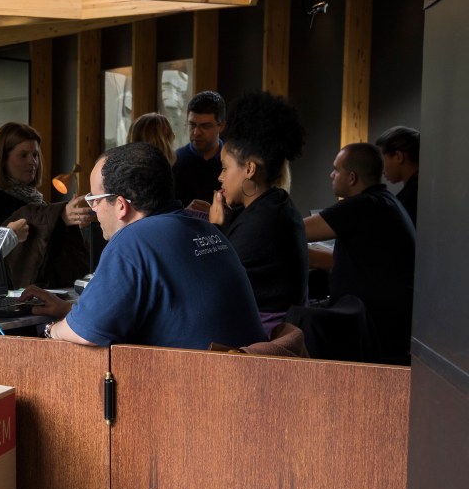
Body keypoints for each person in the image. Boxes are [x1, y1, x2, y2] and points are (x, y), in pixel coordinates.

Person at [21, 142, 265, 349]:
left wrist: (49, 330)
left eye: (94, 200)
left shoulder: (133, 241)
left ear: (120, 205)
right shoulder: (206, 230)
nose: (93, 210)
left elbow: (85, 333)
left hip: (202, 392)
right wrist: (67, 309)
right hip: (245, 381)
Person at [304, 143, 416, 364]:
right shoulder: (385, 202)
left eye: (336, 170)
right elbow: (340, 262)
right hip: (386, 323)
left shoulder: (363, 205)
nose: (331, 174)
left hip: (372, 327)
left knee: (295, 323)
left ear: (352, 177)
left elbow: (293, 230)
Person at [209, 91, 308, 335]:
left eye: (224, 168)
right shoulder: (274, 206)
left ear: (250, 169)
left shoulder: (263, 223)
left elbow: (209, 282)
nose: (220, 177)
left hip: (262, 345)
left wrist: (213, 228)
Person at [0, 122, 90, 287]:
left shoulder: (37, 200)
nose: (32, 162)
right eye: (23, 155)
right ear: (2, 159)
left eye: (35, 155)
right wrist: (59, 215)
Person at [172, 91, 226, 208]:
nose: (196, 133)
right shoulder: (174, 161)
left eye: (205, 126)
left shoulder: (234, 163)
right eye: (192, 125)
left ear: (221, 126)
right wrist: (185, 213)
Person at [375, 125, 420, 226]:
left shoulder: (413, 194)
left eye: (382, 159)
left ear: (398, 156)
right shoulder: (417, 189)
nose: (381, 170)